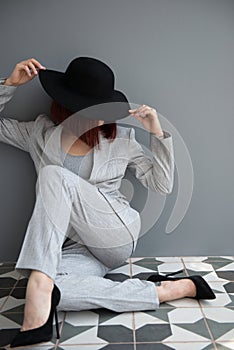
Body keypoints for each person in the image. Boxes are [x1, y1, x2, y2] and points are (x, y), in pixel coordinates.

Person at [0, 57, 215, 348]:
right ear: (66, 107)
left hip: (115, 233)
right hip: (77, 247)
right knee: (58, 289)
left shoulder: (122, 140)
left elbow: (161, 184)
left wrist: (156, 132)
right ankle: (165, 290)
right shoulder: (39, 133)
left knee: (53, 175)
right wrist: (9, 84)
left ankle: (38, 287)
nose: (101, 118)